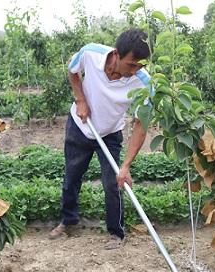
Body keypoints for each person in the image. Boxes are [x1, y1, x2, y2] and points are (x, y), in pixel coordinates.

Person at [48, 28, 152, 250]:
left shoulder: (143, 82)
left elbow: (141, 125)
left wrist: (126, 166)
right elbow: (72, 70)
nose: (135, 71)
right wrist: (80, 99)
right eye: (131, 65)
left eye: (141, 65)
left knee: (113, 182)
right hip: (80, 126)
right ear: (116, 54)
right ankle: (68, 221)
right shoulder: (90, 53)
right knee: (72, 175)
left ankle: (116, 232)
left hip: (110, 133)